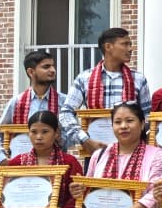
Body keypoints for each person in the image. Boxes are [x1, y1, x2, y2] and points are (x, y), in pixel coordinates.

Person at [61, 27, 152, 157]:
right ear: (108, 47)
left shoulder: (138, 79)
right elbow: (65, 113)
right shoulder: (84, 78)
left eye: (130, 44)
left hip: (131, 151)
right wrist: (84, 140)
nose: (130, 49)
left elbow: (147, 116)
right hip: (95, 151)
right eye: (125, 44)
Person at [0, 49, 71, 163]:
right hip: (20, 166)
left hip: (54, 165)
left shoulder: (64, 102)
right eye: (46, 67)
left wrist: (58, 137)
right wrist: (1, 158)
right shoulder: (17, 102)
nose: (53, 70)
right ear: (31, 72)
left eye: (53, 66)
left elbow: (71, 136)